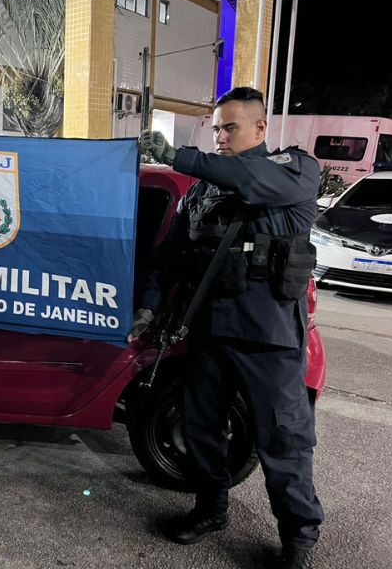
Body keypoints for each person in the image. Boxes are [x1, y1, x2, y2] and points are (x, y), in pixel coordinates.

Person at [133, 87, 323, 569]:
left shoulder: (294, 170)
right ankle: (211, 509)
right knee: (202, 432)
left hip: (269, 340)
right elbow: (170, 258)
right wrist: (149, 308)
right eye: (215, 128)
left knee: (282, 441)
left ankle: (298, 535)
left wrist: (181, 156)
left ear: (260, 128)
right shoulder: (200, 191)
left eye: (230, 127)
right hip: (209, 335)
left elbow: (251, 177)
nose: (220, 136)